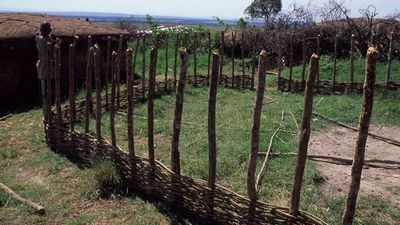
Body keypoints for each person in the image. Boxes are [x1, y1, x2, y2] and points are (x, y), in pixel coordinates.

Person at [36, 21, 52, 106]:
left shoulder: (47, 38)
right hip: (43, 65)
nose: (51, 29)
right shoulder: (41, 39)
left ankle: (48, 102)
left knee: (48, 84)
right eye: (49, 28)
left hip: (48, 66)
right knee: (43, 84)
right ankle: (43, 103)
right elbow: (44, 54)